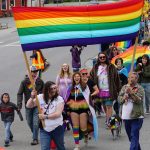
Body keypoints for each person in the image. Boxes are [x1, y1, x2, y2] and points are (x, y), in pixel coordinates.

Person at [26, 81, 66, 150]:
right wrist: (32, 97)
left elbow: (58, 113)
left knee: (61, 148)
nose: (54, 90)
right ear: (46, 89)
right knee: (44, 148)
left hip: (57, 128)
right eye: (51, 88)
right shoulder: (40, 97)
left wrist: (45, 116)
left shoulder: (59, 99)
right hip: (45, 129)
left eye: (55, 88)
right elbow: (29, 105)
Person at [66, 72, 98, 150]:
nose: (77, 78)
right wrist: (68, 109)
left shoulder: (84, 86)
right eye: (75, 77)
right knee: (75, 127)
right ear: (73, 78)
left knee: (83, 127)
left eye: (78, 76)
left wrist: (89, 109)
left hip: (83, 109)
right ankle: (77, 145)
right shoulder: (71, 87)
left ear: (80, 78)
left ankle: (86, 134)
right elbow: (68, 98)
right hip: (73, 109)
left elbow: (88, 98)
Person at [90, 52, 121, 127]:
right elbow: (91, 78)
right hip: (99, 91)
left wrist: (119, 90)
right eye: (101, 57)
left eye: (104, 57)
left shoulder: (111, 67)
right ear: (98, 58)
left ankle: (109, 122)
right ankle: (108, 118)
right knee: (104, 106)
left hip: (109, 90)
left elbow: (117, 79)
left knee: (109, 106)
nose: (102, 58)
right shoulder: (95, 67)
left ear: (106, 57)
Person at [17, 66, 44, 145]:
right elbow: (19, 93)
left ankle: (35, 139)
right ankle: (35, 133)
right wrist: (19, 104)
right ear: (29, 72)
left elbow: (43, 92)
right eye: (33, 72)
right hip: (28, 105)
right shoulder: (24, 82)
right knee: (29, 122)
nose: (34, 73)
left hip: (37, 105)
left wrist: (43, 102)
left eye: (36, 72)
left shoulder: (40, 81)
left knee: (35, 122)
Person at [118, 72, 144, 150]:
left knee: (133, 135)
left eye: (133, 77)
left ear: (136, 79)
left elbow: (139, 100)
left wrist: (131, 93)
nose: (130, 79)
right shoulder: (124, 87)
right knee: (132, 138)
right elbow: (119, 100)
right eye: (129, 77)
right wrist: (124, 97)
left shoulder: (140, 88)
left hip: (137, 116)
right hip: (126, 117)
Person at [56, 63, 72, 131]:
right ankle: (64, 122)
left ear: (68, 67)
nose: (65, 67)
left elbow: (73, 83)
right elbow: (56, 85)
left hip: (69, 93)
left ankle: (68, 121)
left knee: (69, 108)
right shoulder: (59, 75)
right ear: (62, 68)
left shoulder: (71, 75)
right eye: (63, 66)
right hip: (61, 93)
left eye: (66, 66)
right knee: (62, 108)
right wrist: (57, 94)